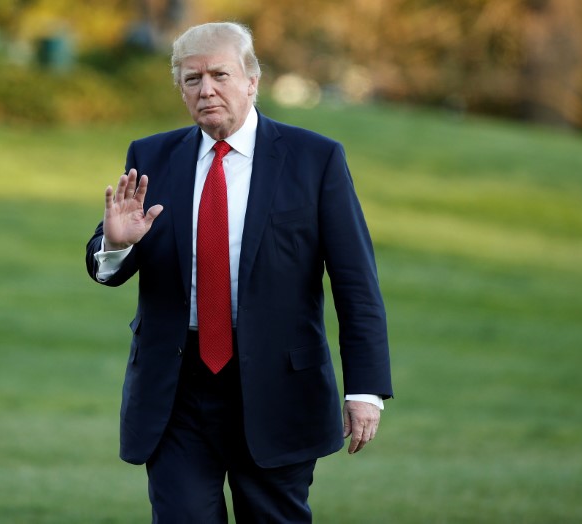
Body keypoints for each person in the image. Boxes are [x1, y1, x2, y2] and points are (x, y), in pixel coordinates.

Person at [86, 21, 392, 523]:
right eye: (192, 79)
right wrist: (115, 245)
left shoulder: (315, 159)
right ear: (181, 91)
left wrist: (365, 389)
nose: (206, 89)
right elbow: (110, 263)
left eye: (219, 75)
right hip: (176, 391)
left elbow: (356, 283)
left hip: (278, 388)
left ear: (252, 80)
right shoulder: (150, 156)